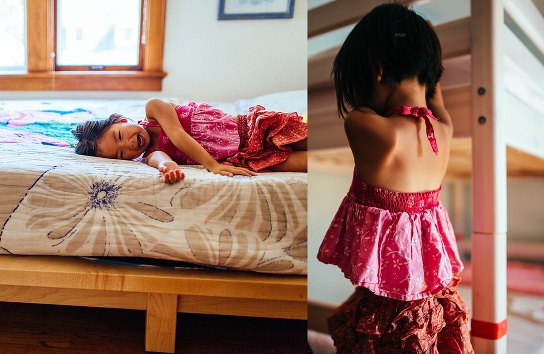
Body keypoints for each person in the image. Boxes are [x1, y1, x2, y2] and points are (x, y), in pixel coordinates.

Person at [316, 3, 473, 353]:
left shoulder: (367, 127)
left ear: (375, 69)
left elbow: (363, 107)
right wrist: (422, 45)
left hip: (389, 298)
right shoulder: (444, 130)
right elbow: (433, 92)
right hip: (432, 294)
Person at [71, 98, 307, 184]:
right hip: (245, 156)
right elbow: (159, 159)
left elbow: (177, 135)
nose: (129, 145)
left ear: (121, 119)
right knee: (310, 162)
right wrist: (167, 167)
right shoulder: (151, 153)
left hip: (252, 129)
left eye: (120, 136)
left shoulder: (154, 109)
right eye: (121, 154)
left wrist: (212, 165)